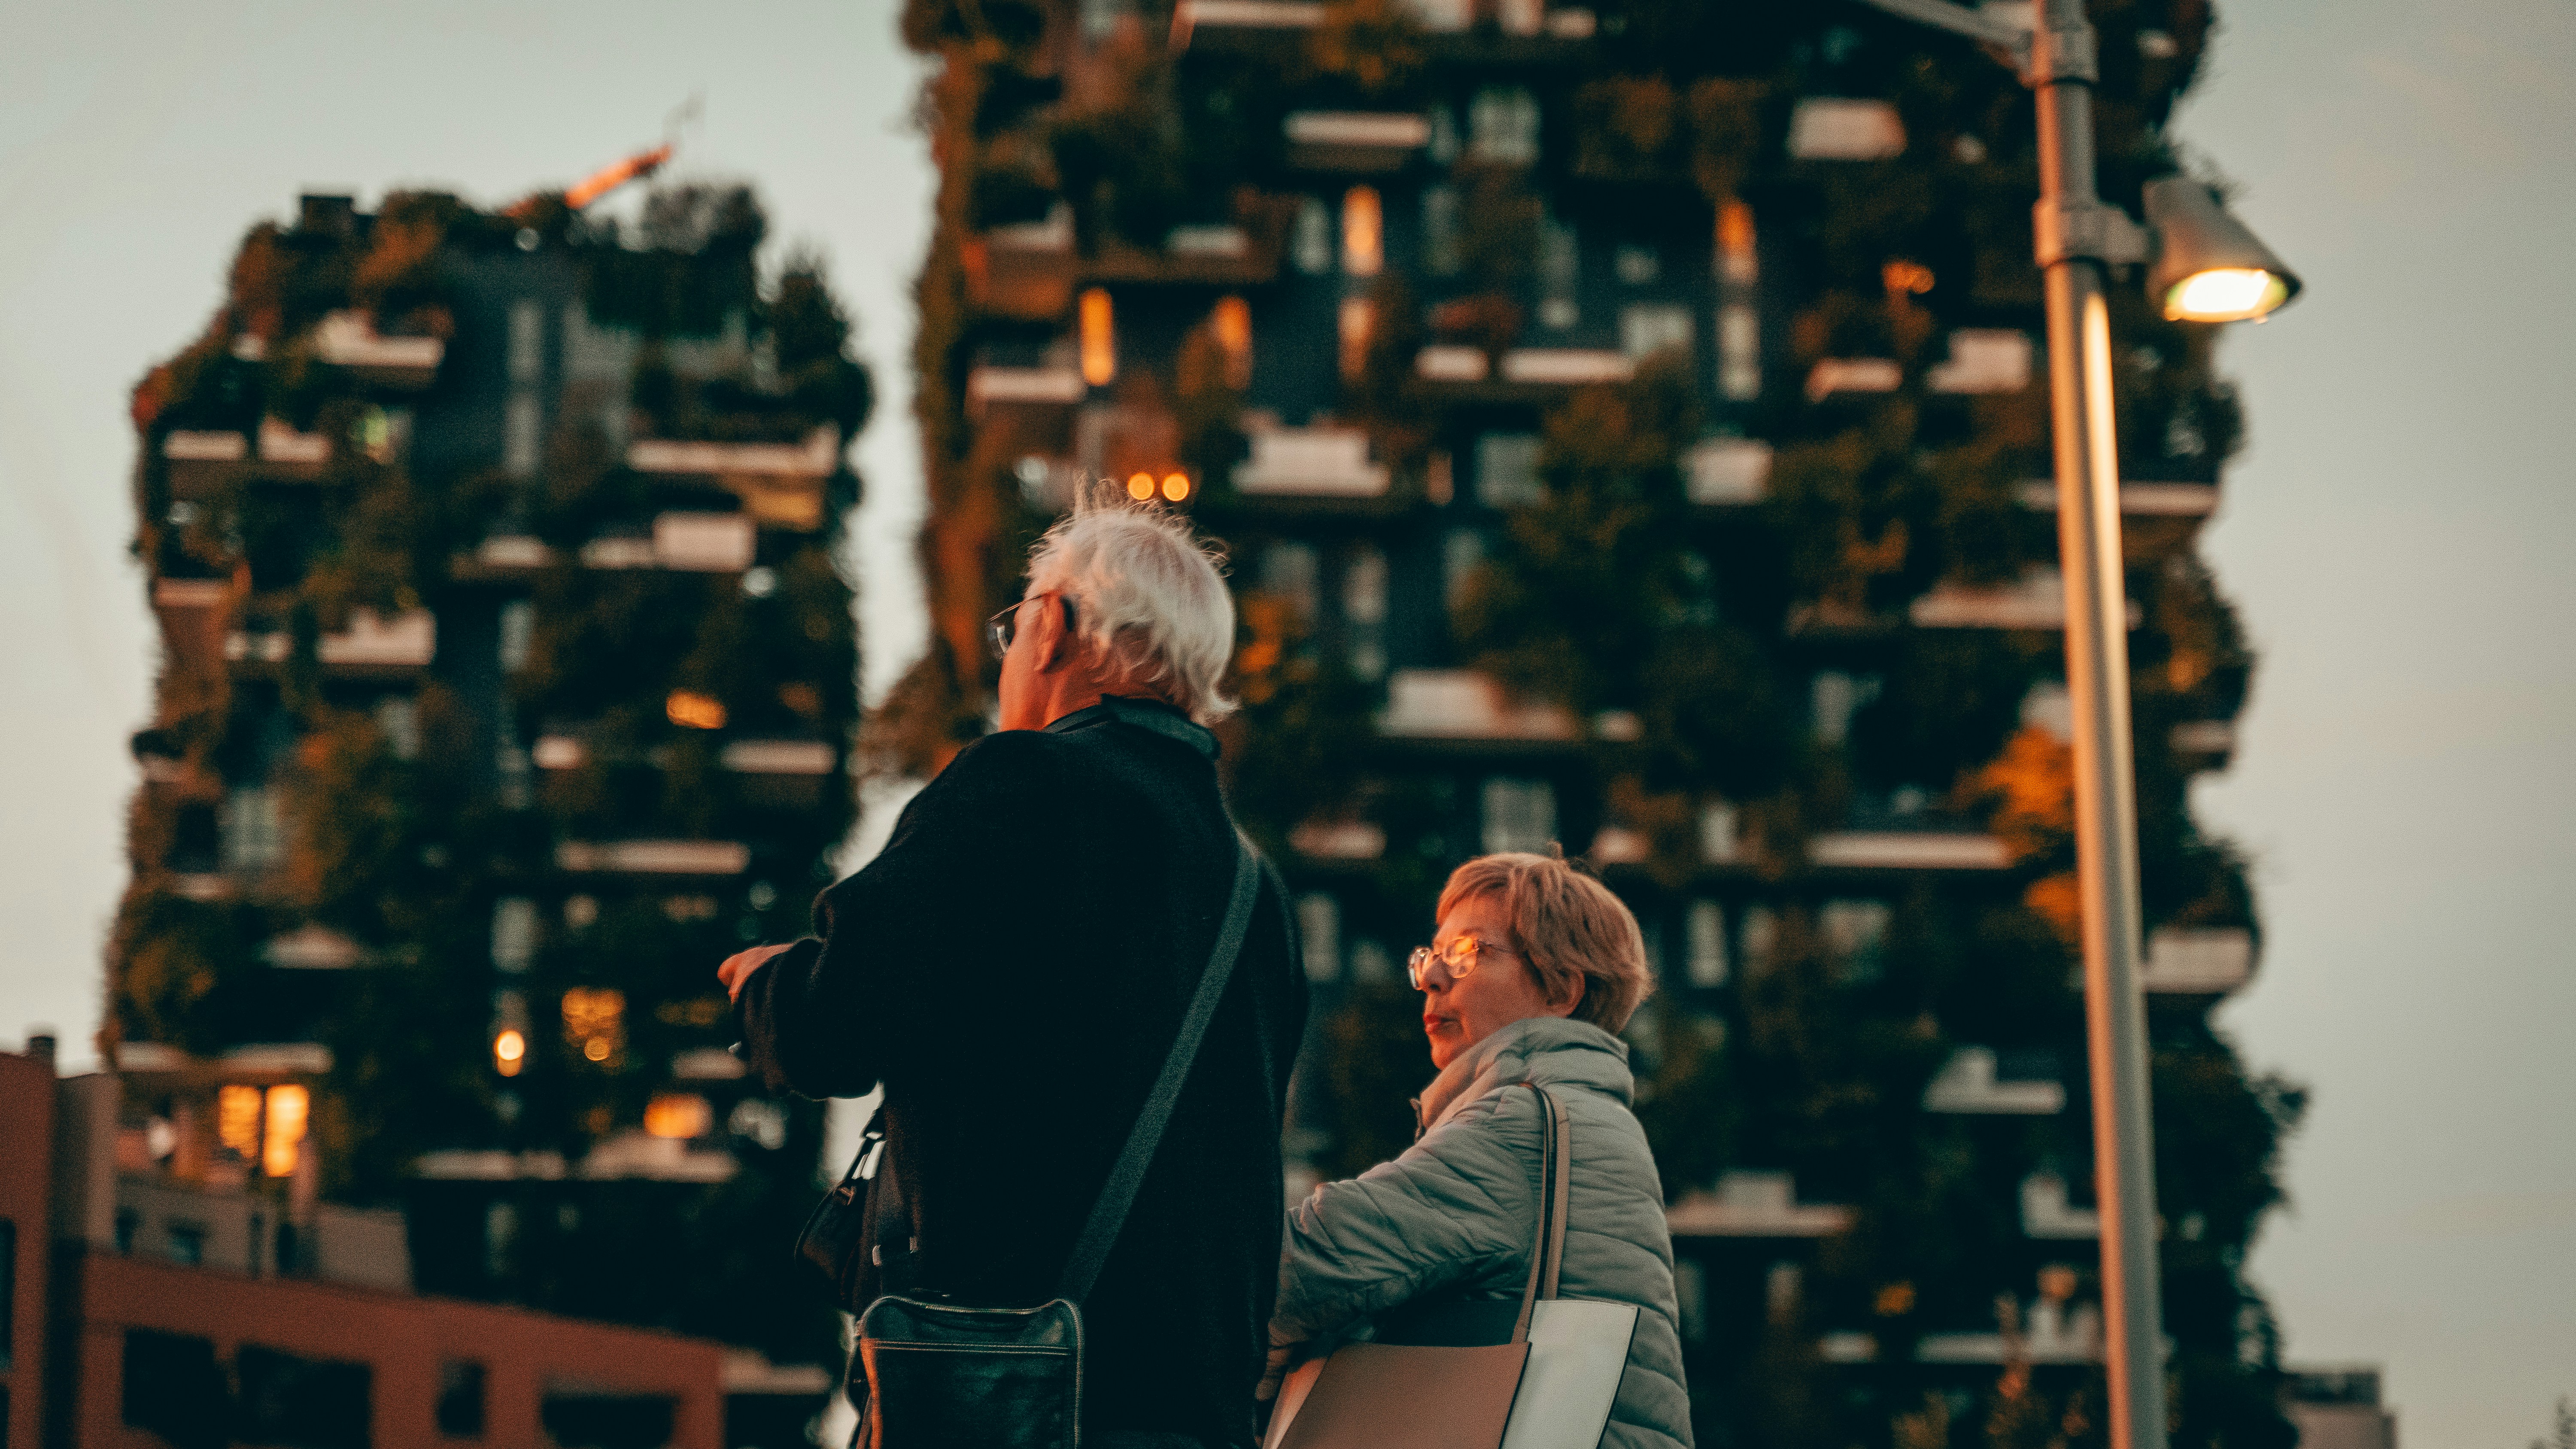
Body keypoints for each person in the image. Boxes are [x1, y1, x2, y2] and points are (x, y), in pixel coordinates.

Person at [720, 489, 1307, 1449]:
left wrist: (766, 984)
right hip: (1199, 1407)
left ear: (1056, 627)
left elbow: (835, 1029)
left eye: (1017, 620)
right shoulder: (1259, 892)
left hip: (1018, 1391)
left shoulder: (1018, 784)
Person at [1263, 851, 1694, 1449]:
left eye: (1469, 953)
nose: (1434, 978)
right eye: (1432, 958)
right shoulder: (1589, 1116)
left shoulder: (1524, 1123)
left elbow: (1298, 1266)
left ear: (1562, 989)